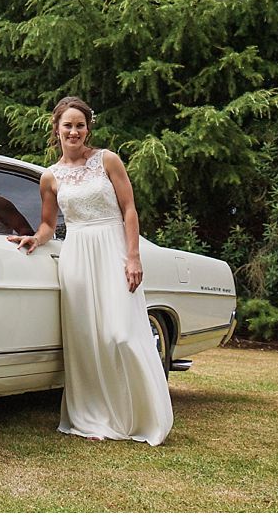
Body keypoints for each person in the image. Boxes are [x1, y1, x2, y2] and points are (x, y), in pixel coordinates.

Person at [9, 97, 172, 444]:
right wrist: (35, 239)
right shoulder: (49, 177)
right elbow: (49, 224)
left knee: (121, 334)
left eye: (79, 125)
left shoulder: (107, 160)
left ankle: (139, 417)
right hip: (77, 255)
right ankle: (94, 418)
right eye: (67, 125)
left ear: (88, 128)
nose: (74, 131)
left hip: (112, 247)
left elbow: (129, 209)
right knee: (87, 340)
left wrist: (133, 257)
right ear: (57, 129)